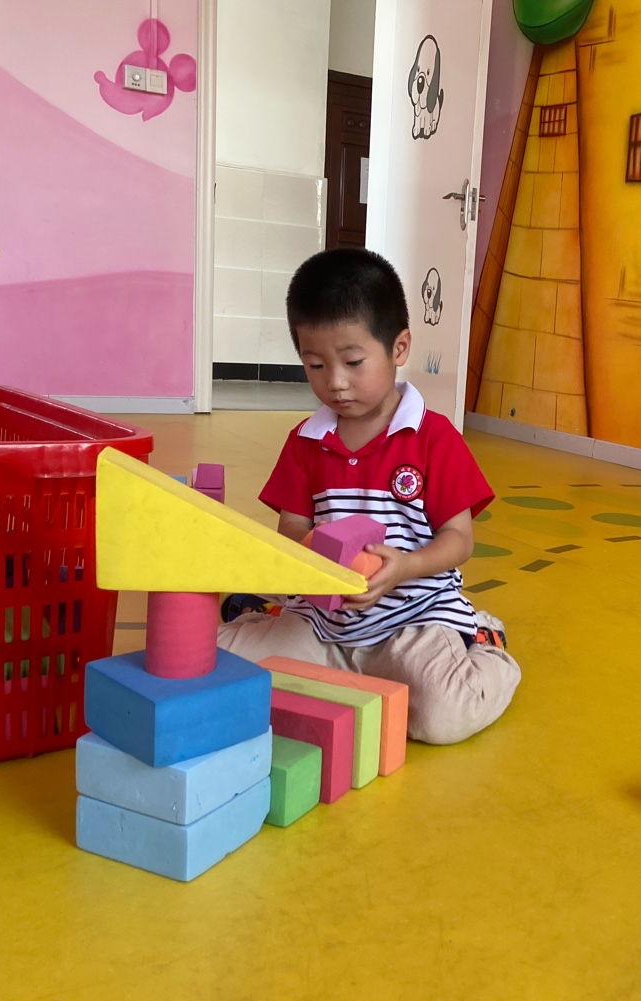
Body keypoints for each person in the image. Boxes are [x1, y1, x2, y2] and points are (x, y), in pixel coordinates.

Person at [218, 248, 522, 745]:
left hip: (411, 618)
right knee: (216, 664)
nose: (335, 383)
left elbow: (459, 539)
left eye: (353, 362)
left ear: (399, 347)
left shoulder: (433, 438)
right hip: (322, 621)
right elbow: (291, 526)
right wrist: (310, 550)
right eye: (315, 365)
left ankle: (484, 641)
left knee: (443, 715)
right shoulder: (305, 441)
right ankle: (272, 617)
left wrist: (404, 566)